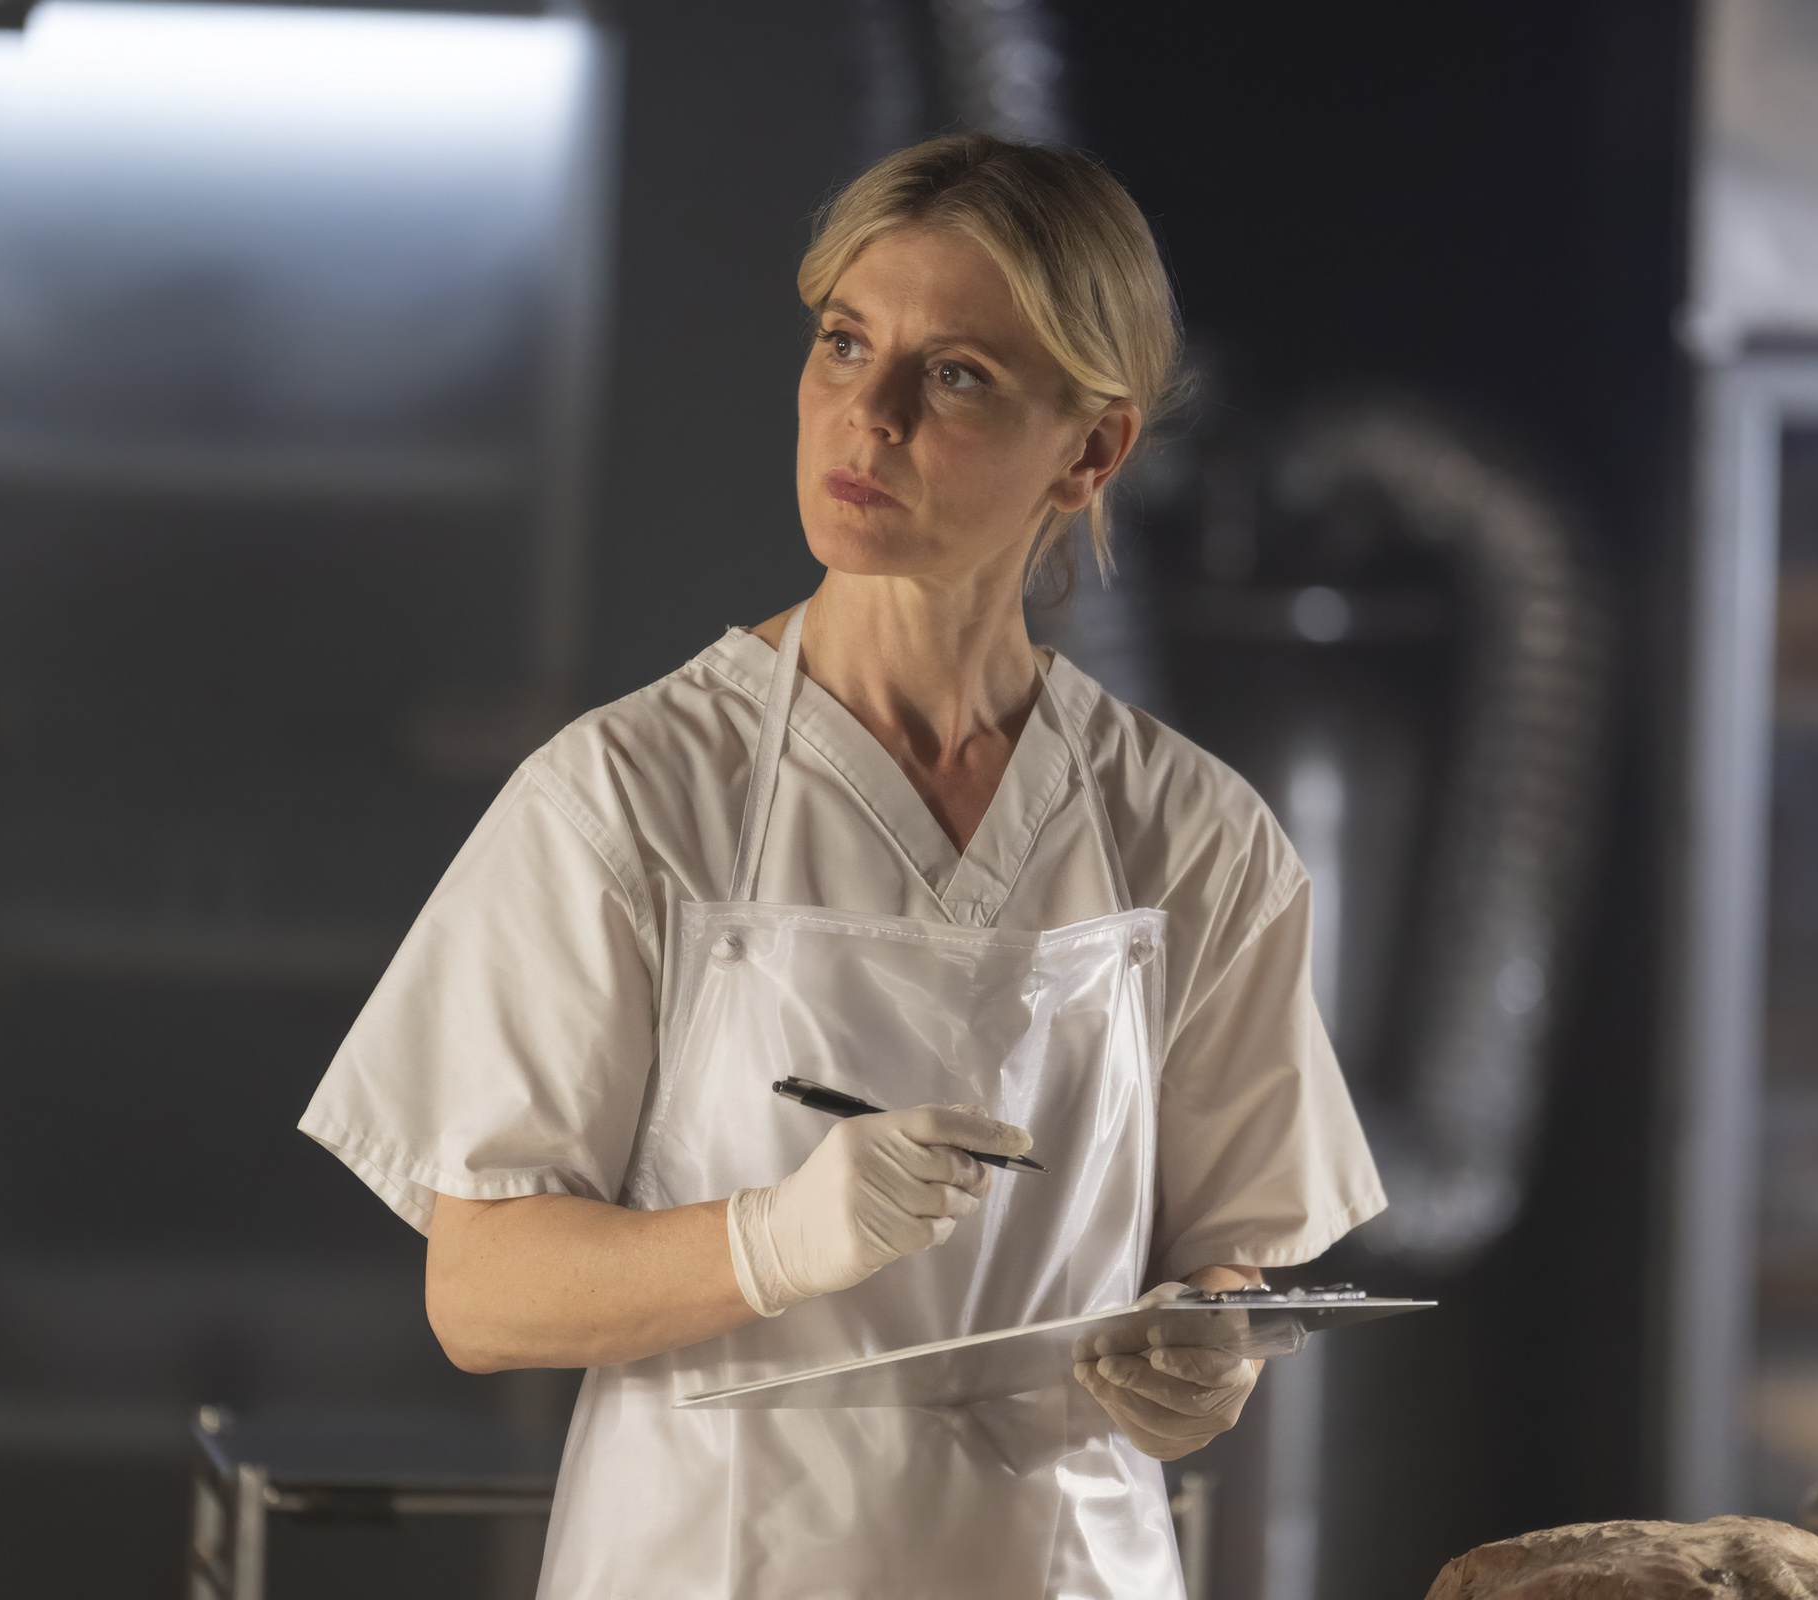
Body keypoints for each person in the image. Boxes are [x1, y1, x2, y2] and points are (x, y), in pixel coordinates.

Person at [300, 133, 1384, 1599]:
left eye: (956, 375)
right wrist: (772, 1240)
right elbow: (482, 1293)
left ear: (1091, 452)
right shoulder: (629, 795)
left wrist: (1208, 1354)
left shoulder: (1193, 834)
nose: (866, 416)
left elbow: (1222, 1260)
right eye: (843, 343)